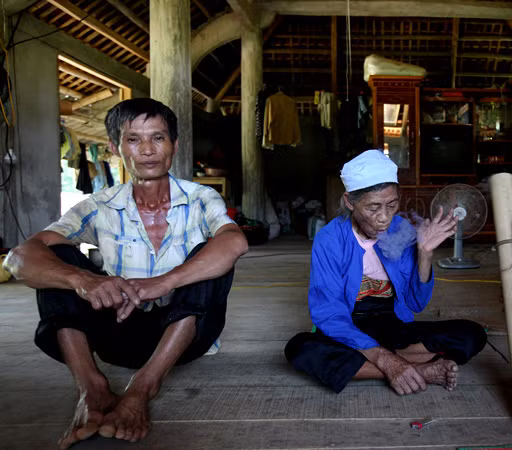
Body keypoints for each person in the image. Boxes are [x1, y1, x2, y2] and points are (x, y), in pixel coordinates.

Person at [2, 98, 248, 448]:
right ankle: (92, 390)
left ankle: (143, 389)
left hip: (181, 338)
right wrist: (83, 280)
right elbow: (19, 257)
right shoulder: (99, 205)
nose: (147, 150)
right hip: (117, 330)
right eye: (134, 139)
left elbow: (235, 242)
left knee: (210, 256)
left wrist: (162, 283)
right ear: (116, 148)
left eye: (158, 138)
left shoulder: (200, 198)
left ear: (174, 146)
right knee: (56, 256)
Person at [285, 150, 487, 395]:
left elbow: (416, 303)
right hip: (348, 327)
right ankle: (417, 368)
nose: (384, 218)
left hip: (393, 326)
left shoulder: (401, 229)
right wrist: (384, 359)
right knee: (300, 348)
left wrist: (424, 253)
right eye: (373, 208)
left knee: (471, 333)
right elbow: (328, 314)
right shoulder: (330, 239)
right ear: (350, 202)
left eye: (392, 205)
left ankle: (381, 363)